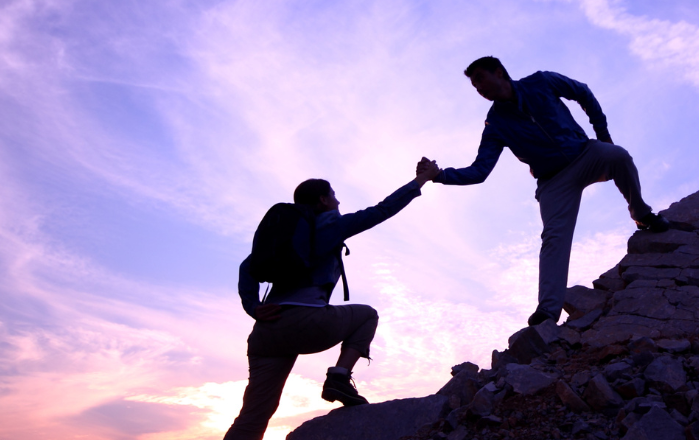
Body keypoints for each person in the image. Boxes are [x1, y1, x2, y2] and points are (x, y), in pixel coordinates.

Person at [418, 56, 669, 327]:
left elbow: (582, 91)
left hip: (585, 154)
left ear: (499, 72)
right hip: (553, 181)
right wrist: (440, 176)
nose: (477, 87)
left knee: (618, 156)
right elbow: (480, 171)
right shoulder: (495, 125)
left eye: (480, 78)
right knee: (553, 238)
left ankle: (641, 214)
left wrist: (603, 135)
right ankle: (548, 311)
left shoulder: (541, 81)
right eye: (473, 84)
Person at [224, 159, 441, 440]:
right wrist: (422, 180)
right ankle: (339, 377)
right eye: (335, 195)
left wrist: (253, 307)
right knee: (366, 315)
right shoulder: (330, 228)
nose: (338, 201)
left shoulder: (283, 238)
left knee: (254, 414)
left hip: (266, 333)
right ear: (324, 200)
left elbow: (247, 266)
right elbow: (383, 209)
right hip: (307, 321)